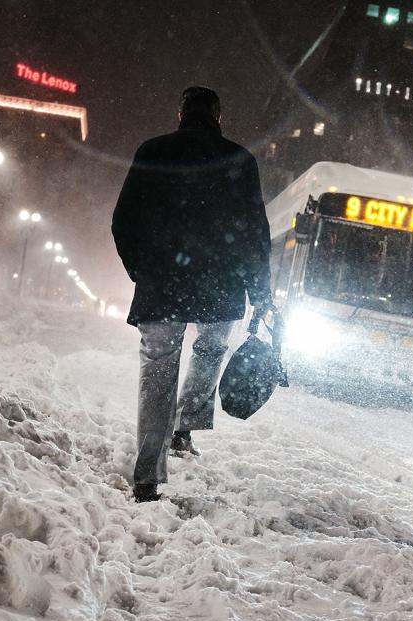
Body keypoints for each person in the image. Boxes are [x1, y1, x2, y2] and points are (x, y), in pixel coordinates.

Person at [111, 86, 272, 503]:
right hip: (219, 288)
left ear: (180, 113)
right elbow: (255, 234)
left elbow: (123, 220)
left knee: (158, 373)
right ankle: (185, 427)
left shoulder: (153, 151)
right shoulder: (239, 160)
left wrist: (141, 270)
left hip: (162, 286)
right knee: (211, 349)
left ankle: (147, 476)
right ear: (219, 117)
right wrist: (260, 293)